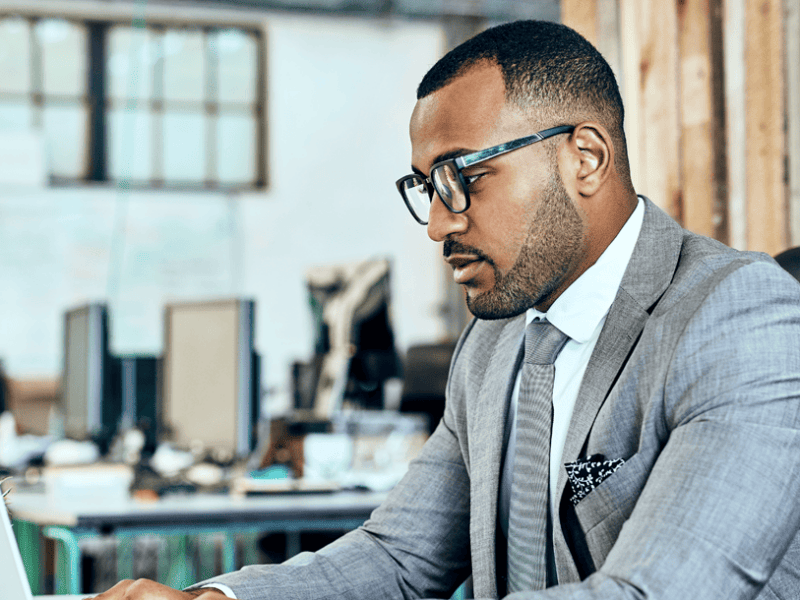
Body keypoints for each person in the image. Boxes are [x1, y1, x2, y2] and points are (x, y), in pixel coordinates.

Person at [95, 19, 800, 600]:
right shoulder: (494, 346)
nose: (437, 224)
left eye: (465, 177)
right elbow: (400, 559)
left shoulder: (738, 317)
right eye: (426, 186)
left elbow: (658, 594)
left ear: (585, 157)